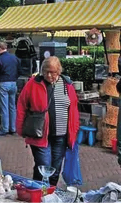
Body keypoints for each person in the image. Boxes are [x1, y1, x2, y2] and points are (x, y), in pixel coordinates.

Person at [16, 56, 80, 185]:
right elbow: (22, 104)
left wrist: (74, 130)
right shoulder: (33, 83)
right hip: (39, 134)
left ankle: (50, 193)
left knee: (55, 170)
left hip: (61, 136)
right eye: (46, 71)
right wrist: (20, 127)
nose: (49, 75)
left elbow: (73, 108)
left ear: (59, 71)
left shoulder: (67, 85)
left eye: (53, 72)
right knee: (43, 166)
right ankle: (38, 193)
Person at [0, 41, 21, 136]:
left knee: (4, 107)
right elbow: (19, 71)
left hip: (3, 83)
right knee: (12, 106)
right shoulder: (15, 58)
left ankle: (5, 129)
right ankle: (12, 128)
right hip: (13, 83)